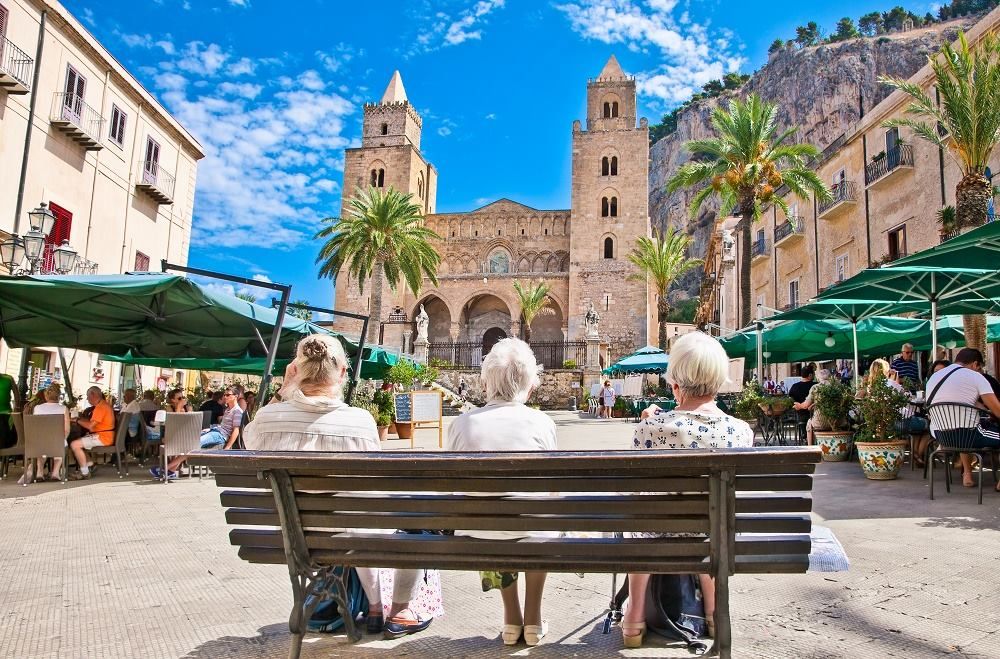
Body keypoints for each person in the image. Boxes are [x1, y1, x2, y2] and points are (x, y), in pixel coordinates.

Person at [243, 334, 442, 638]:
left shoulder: (267, 419)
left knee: (356, 522)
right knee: (399, 518)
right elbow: (371, 492)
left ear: (295, 369)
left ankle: (372, 606)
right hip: (352, 531)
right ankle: (395, 610)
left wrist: (283, 391)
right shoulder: (360, 422)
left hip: (291, 538)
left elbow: (248, 441)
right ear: (343, 373)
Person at [623, 332, 754, 648]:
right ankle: (713, 612)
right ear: (719, 381)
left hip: (658, 532)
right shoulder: (741, 432)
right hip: (714, 535)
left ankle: (634, 619)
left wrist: (648, 423)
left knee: (639, 526)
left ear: (675, 383)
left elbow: (639, 493)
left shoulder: (650, 428)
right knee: (714, 526)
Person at [447, 338, 557, 647]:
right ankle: (533, 619)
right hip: (535, 533)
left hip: (479, 535)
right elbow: (552, 488)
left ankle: (511, 618)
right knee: (539, 518)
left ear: (485, 382)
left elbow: (456, 488)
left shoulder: (461, 424)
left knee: (489, 514)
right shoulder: (542, 422)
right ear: (530, 385)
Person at [923, 348, 1000, 490]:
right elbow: (998, 410)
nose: (981, 371)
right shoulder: (975, 376)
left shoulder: (934, 378)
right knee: (969, 427)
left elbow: (963, 401)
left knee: (965, 424)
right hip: (968, 437)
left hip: (941, 436)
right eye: (980, 368)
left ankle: (967, 475)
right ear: (975, 364)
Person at [151, 388, 242, 480]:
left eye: (228, 395)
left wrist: (227, 447)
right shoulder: (228, 409)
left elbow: (236, 430)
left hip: (220, 435)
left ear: (235, 397)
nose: (225, 397)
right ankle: (171, 471)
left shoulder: (237, 411)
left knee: (191, 445)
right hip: (215, 431)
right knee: (188, 442)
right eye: (224, 395)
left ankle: (165, 469)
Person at [18, 384, 69, 484]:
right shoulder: (64, 409)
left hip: (39, 443)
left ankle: (40, 472)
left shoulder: (37, 408)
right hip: (56, 442)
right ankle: (55, 472)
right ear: (59, 396)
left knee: (41, 445)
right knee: (62, 444)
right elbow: (67, 430)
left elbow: (35, 428)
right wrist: (63, 439)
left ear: (45, 396)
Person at [68, 387, 115, 480]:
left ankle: (85, 472)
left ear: (93, 395)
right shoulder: (103, 405)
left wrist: (77, 420)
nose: (87, 399)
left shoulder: (101, 407)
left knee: (75, 444)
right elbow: (92, 422)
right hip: (104, 435)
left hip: (103, 437)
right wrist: (79, 420)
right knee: (78, 441)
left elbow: (90, 426)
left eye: (88, 396)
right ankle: (90, 464)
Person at [796, 369, 831, 445]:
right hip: (839, 421)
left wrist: (799, 406)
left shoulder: (816, 387)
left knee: (809, 423)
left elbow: (805, 405)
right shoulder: (838, 386)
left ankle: (810, 447)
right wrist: (814, 404)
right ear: (830, 377)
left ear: (818, 378)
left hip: (820, 422)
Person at [789, 366, 817, 437]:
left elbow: (790, 400)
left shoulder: (794, 386)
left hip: (800, 416)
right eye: (813, 374)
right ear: (810, 375)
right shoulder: (815, 386)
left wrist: (798, 406)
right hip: (815, 415)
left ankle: (804, 436)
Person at [0, 371, 21, 450]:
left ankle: (4, 456)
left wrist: (17, 407)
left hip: (6, 413)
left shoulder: (8, 378)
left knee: (5, 435)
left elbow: (16, 393)